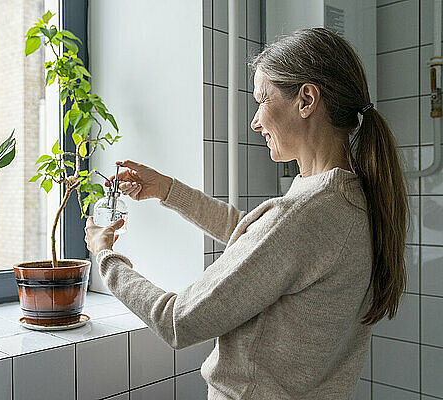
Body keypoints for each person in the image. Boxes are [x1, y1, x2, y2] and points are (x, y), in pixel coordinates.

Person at [84, 27, 408, 400]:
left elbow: (177, 321)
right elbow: (255, 238)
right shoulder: (352, 196)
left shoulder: (307, 213)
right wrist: (166, 189)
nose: (255, 121)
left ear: (306, 99)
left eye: (262, 100)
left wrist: (105, 256)